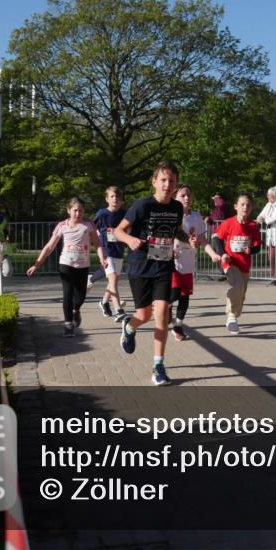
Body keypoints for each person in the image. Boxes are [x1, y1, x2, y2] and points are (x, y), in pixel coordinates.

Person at [114, 161, 186, 386]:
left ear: (175, 185)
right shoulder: (142, 205)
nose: (167, 184)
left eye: (171, 181)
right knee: (143, 315)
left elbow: (176, 232)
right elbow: (118, 231)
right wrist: (130, 239)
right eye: (163, 180)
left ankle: (158, 365)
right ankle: (128, 327)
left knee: (162, 312)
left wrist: (187, 238)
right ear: (154, 182)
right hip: (140, 266)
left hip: (164, 265)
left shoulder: (177, 208)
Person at [27, 198, 107, 338]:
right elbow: (49, 246)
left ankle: (76, 310)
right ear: (69, 210)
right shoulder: (62, 226)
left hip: (83, 266)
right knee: (67, 294)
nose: (78, 213)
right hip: (66, 264)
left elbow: (97, 243)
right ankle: (68, 325)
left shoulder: (88, 225)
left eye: (81, 210)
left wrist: (102, 258)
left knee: (80, 296)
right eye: (75, 210)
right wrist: (37, 264)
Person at [206, 194, 262, 334]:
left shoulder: (253, 226)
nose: (245, 207)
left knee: (241, 293)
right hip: (230, 262)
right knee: (237, 285)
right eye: (242, 204)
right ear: (236, 207)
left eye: (248, 205)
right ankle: (231, 317)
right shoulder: (229, 223)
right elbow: (217, 238)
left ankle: (234, 316)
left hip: (244, 265)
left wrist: (252, 249)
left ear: (251, 208)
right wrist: (222, 253)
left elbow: (258, 246)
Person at [171, 184, 208, 341]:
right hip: (171, 262)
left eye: (188, 195)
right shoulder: (171, 215)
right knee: (174, 293)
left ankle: (178, 325)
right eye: (182, 195)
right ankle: (165, 309)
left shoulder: (196, 217)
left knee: (185, 296)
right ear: (174, 197)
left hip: (188, 262)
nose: (186, 198)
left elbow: (202, 239)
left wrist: (213, 254)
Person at [93, 186, 127, 322]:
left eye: (118, 197)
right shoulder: (102, 213)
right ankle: (119, 310)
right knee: (112, 280)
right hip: (106, 250)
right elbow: (92, 228)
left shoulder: (124, 214)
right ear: (107, 199)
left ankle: (104, 302)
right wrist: (99, 239)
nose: (115, 199)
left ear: (122, 200)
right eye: (112, 196)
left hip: (119, 250)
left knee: (114, 281)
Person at [256, 187, 276, 285]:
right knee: (272, 257)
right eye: (268, 195)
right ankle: (275, 277)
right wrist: (260, 218)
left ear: (275, 195)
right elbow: (261, 215)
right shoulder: (268, 205)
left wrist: (267, 219)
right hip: (271, 235)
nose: (268, 197)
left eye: (269, 195)